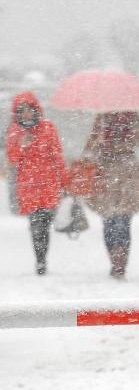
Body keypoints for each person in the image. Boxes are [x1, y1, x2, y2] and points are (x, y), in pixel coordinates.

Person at [83, 111, 139, 279]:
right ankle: (115, 260)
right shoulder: (102, 119)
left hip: (127, 173)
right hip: (106, 172)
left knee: (123, 221)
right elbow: (90, 149)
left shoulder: (135, 119)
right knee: (109, 220)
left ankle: (120, 263)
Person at [5, 92, 66, 275]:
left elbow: (57, 155)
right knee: (35, 224)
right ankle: (40, 261)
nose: (26, 114)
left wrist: (64, 181)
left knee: (45, 223)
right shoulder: (14, 131)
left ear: (36, 110)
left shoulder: (48, 128)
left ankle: (42, 255)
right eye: (21, 111)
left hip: (49, 182)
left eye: (29, 110)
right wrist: (22, 145)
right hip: (29, 185)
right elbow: (12, 159)